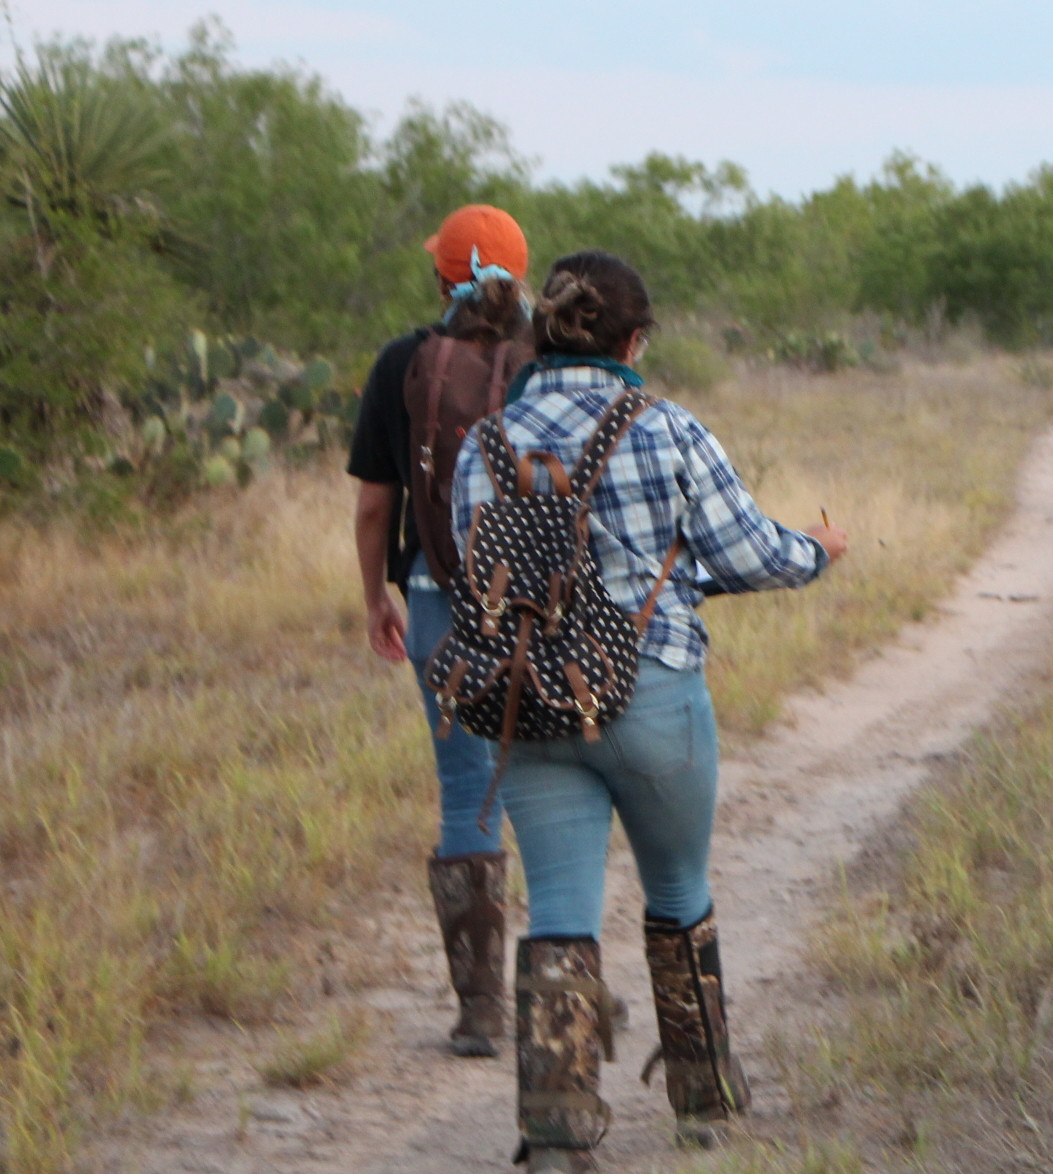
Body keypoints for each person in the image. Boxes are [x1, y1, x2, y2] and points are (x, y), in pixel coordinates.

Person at [449, 250, 848, 1172]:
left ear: (542, 332)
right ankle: (704, 1102)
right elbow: (750, 553)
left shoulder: (486, 441)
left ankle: (555, 1133)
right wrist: (820, 550)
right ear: (635, 340)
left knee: (558, 909)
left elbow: (479, 573)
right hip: (651, 692)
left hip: (533, 701)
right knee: (676, 892)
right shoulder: (664, 427)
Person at [348, 204, 534, 1057]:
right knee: (551, 789)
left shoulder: (401, 363)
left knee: (467, 797)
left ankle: (479, 1013)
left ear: (441, 277)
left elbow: (374, 506)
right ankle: (567, 982)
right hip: (542, 610)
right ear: (521, 276)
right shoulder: (549, 363)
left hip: (434, 596)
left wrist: (376, 596)